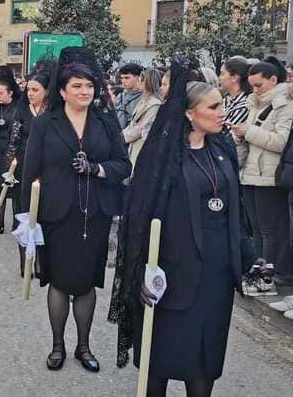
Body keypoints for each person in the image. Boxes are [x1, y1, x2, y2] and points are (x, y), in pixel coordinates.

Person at [110, 61, 245, 397]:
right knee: (161, 361)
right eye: (213, 106)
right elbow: (138, 219)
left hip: (215, 278)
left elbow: (236, 212)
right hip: (170, 275)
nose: (221, 112)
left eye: (222, 104)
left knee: (204, 362)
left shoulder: (223, 149)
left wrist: (251, 256)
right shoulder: (162, 157)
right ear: (188, 113)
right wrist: (141, 270)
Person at [20, 47, 130, 372]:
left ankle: (84, 346)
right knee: (59, 282)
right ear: (63, 90)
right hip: (56, 214)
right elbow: (30, 172)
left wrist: (96, 169)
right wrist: (27, 220)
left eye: (89, 86)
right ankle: (58, 346)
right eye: (77, 86)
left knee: (85, 283)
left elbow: (124, 164)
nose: (85, 92)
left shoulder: (106, 122)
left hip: (95, 214)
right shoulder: (45, 123)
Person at [232, 61, 293, 293]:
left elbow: (281, 142)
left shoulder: (285, 105)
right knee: (255, 229)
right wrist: (239, 136)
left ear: (273, 80)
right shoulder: (253, 103)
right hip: (249, 173)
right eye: (252, 86)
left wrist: (248, 132)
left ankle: (268, 277)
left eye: (259, 85)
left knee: (269, 231)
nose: (255, 90)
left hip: (270, 177)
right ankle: (256, 274)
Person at [16, 70, 50, 276]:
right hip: (24, 168)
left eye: (35, 90)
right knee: (25, 216)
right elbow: (14, 138)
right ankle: (26, 262)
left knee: (44, 218)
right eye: (28, 89)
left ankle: (42, 262)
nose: (30, 93)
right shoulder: (23, 110)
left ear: (47, 92)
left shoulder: (52, 114)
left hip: (46, 171)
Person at [0, 67, 26, 234]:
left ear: (10, 93)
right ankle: (0, 222)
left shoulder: (19, 108)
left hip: (14, 154)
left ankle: (16, 223)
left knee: (15, 190)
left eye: (1, 93)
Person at [123, 68, 162, 170]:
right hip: (133, 146)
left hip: (142, 148)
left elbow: (141, 128)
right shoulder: (144, 100)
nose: (138, 81)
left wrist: (120, 138)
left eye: (140, 79)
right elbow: (133, 124)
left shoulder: (154, 104)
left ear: (146, 81)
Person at [219, 58, 251, 126]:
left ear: (234, 78)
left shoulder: (244, 106)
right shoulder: (225, 100)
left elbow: (227, 134)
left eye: (222, 74)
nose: (219, 78)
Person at [115, 63, 144, 128]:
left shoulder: (145, 97)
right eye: (122, 78)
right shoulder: (120, 96)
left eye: (127, 78)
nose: (123, 81)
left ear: (137, 78)